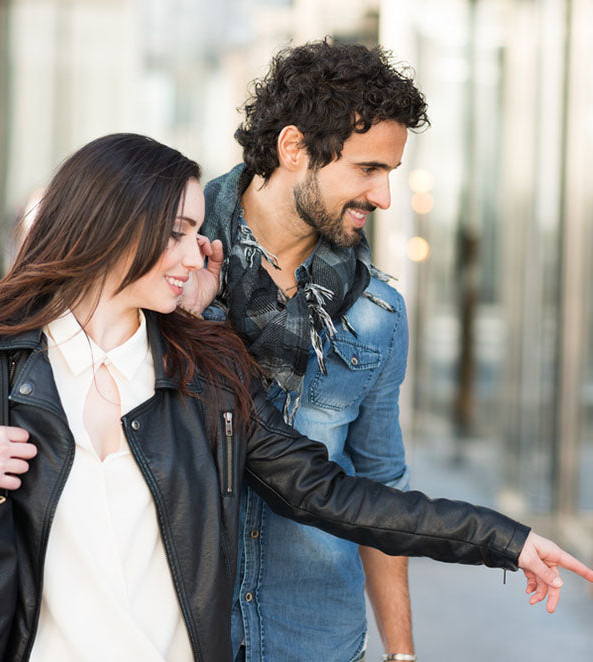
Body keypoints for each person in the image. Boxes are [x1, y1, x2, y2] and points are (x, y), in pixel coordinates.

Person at [0, 133, 593, 662]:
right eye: (174, 234)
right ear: (110, 229)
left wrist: (507, 540)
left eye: (198, 232)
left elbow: (338, 497)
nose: (192, 255)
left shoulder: (203, 374)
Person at [189, 40, 424, 661]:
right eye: (368, 169)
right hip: (182, 634)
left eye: (390, 174)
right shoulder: (176, 270)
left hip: (315, 637)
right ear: (294, 149)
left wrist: (401, 654)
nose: (384, 197)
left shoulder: (378, 315)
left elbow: (380, 486)